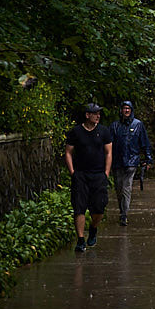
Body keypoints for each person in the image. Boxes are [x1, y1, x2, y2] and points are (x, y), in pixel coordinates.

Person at [65, 102, 113, 253]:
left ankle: (93, 228)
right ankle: (80, 240)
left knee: (99, 208)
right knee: (79, 208)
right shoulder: (76, 132)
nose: (98, 116)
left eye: (99, 113)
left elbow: (108, 153)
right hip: (81, 175)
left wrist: (106, 172)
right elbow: (68, 152)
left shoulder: (104, 131)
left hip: (98, 175)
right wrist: (73, 172)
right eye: (95, 113)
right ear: (87, 115)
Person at [110, 99, 153, 227]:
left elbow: (144, 143)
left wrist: (148, 159)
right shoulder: (114, 126)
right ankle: (122, 210)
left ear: (132, 110)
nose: (126, 110)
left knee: (126, 188)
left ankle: (124, 215)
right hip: (117, 161)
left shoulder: (138, 125)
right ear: (121, 110)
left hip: (132, 161)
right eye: (124, 108)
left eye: (128, 108)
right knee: (118, 188)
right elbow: (108, 144)